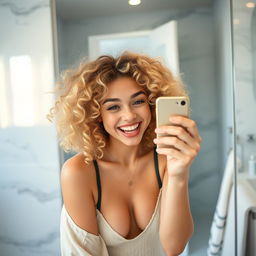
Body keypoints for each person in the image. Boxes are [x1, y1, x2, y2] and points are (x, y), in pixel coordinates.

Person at [48, 51, 201, 256]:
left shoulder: (166, 159)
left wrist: (178, 173)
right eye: (113, 107)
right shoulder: (79, 172)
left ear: (151, 104)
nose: (129, 115)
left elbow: (174, 247)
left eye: (138, 101)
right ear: (96, 114)